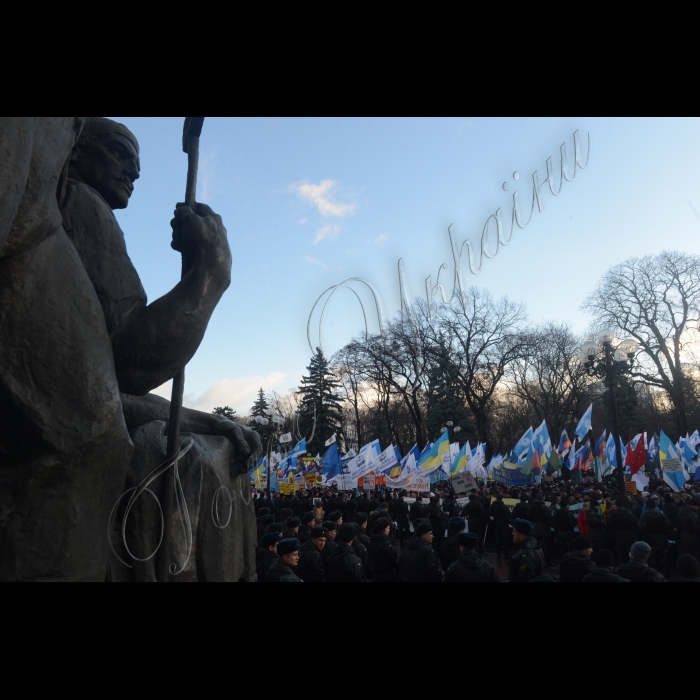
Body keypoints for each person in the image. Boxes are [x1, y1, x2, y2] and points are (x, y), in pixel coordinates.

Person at [638, 497, 674, 571]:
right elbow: (668, 525)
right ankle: (664, 572)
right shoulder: (661, 515)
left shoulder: (644, 516)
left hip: (649, 538)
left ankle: (654, 571)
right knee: (663, 555)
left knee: (652, 556)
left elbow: (642, 527)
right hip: (661, 537)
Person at [508, 519, 545, 583]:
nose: (512, 534)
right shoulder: (535, 545)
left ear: (523, 535)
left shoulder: (525, 554)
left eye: (515, 532)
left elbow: (526, 578)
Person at [606, 498, 638, 564]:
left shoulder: (613, 514)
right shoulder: (629, 513)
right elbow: (635, 523)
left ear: (616, 505)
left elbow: (609, 525)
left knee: (620, 553)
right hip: (629, 535)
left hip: (618, 535)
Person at [530, 494, 553, 564]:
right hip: (544, 528)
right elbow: (548, 517)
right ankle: (546, 561)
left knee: (536, 544)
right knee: (546, 546)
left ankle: (537, 560)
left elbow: (529, 516)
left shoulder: (531, 506)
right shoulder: (544, 507)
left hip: (535, 527)